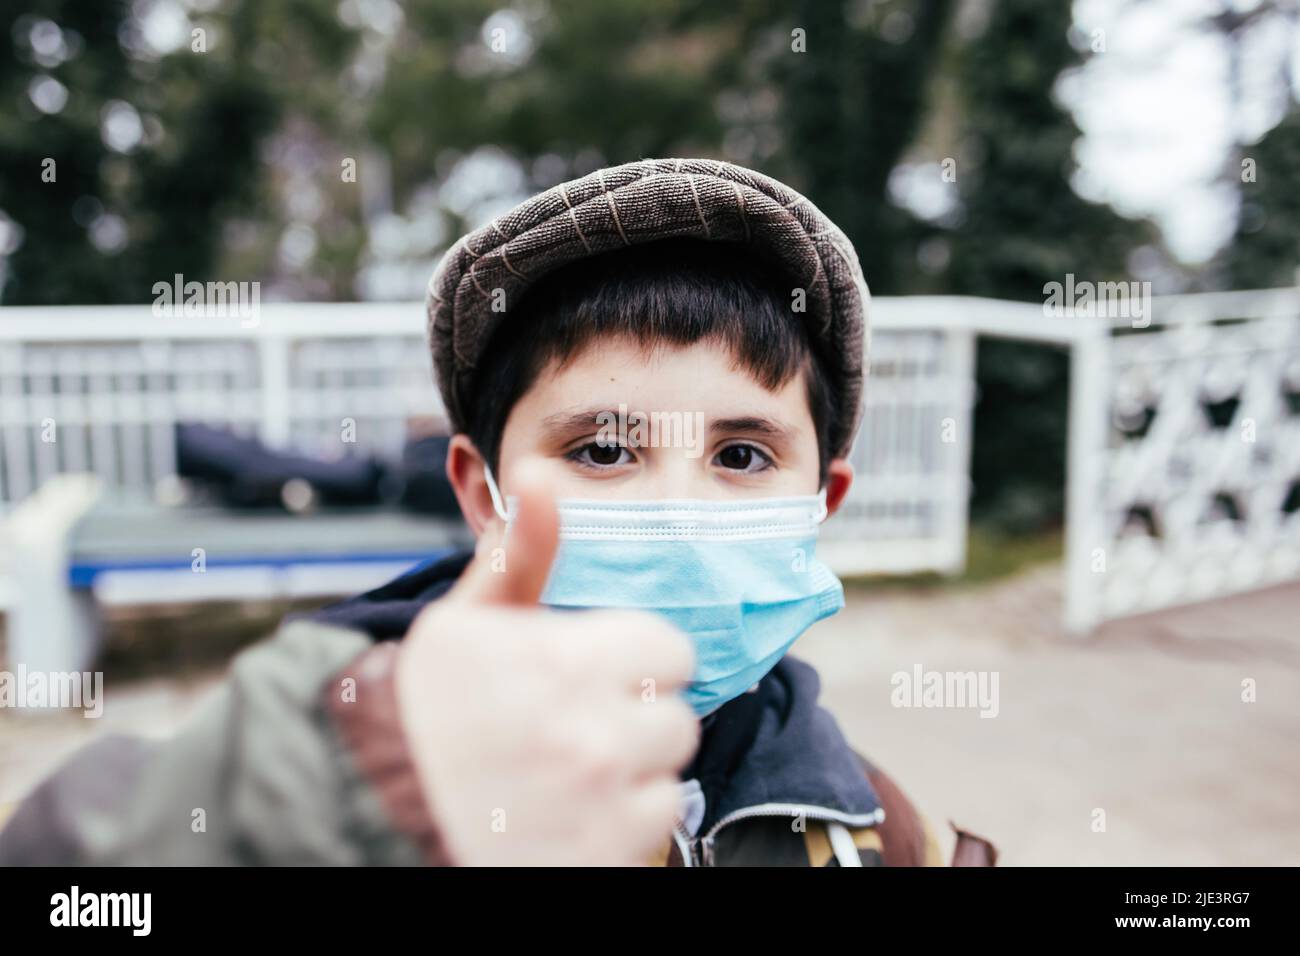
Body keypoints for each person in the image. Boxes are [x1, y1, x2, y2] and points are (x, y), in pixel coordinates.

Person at [0, 158, 993, 866]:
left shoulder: (877, 829)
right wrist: (354, 807)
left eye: (740, 453)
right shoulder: (335, 745)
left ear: (821, 501)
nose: (679, 510)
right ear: (482, 493)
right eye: (602, 449)